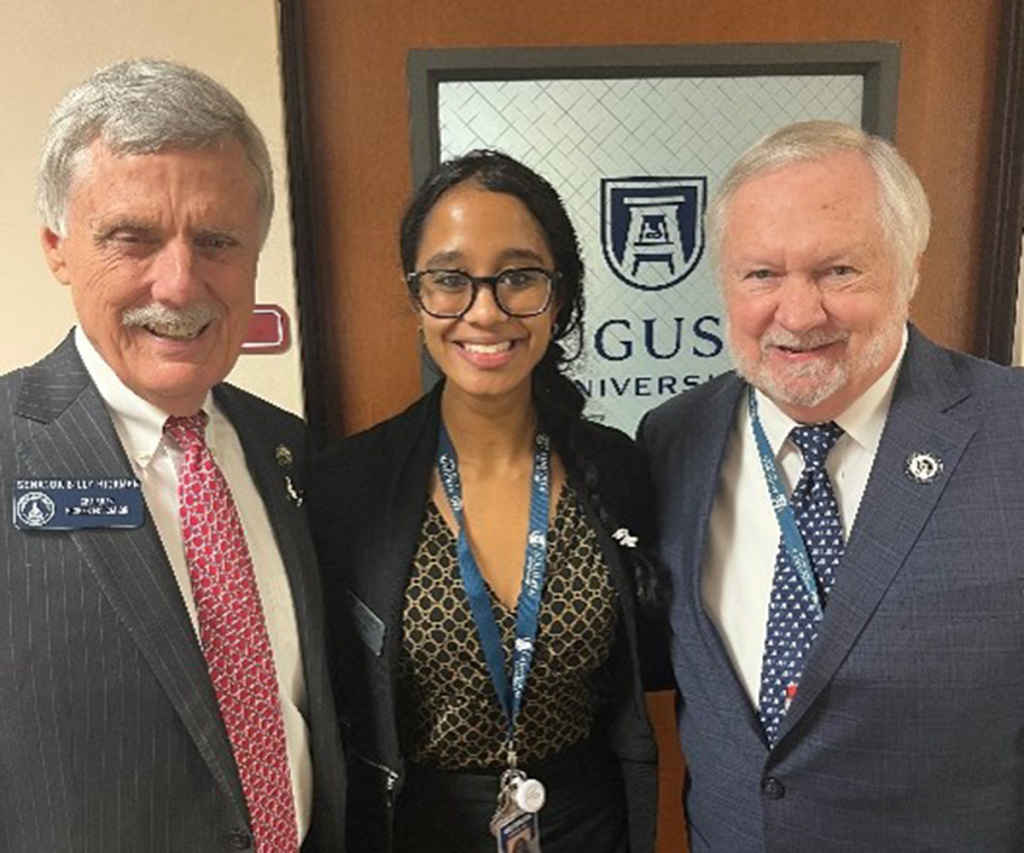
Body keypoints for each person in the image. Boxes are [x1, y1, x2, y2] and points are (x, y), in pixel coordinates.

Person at [638, 119, 1024, 851]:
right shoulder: (672, 439)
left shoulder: (1013, 434)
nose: (798, 312)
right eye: (761, 274)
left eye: (838, 271)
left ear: (908, 268)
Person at [0, 59, 345, 851]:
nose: (181, 282)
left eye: (217, 240)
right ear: (57, 248)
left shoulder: (287, 450)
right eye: (133, 237)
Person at [308, 150, 659, 853]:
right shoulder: (346, 485)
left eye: (519, 277)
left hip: (588, 826)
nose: (485, 310)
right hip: (417, 830)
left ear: (560, 295)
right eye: (450, 279)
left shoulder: (616, 467)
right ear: (417, 296)